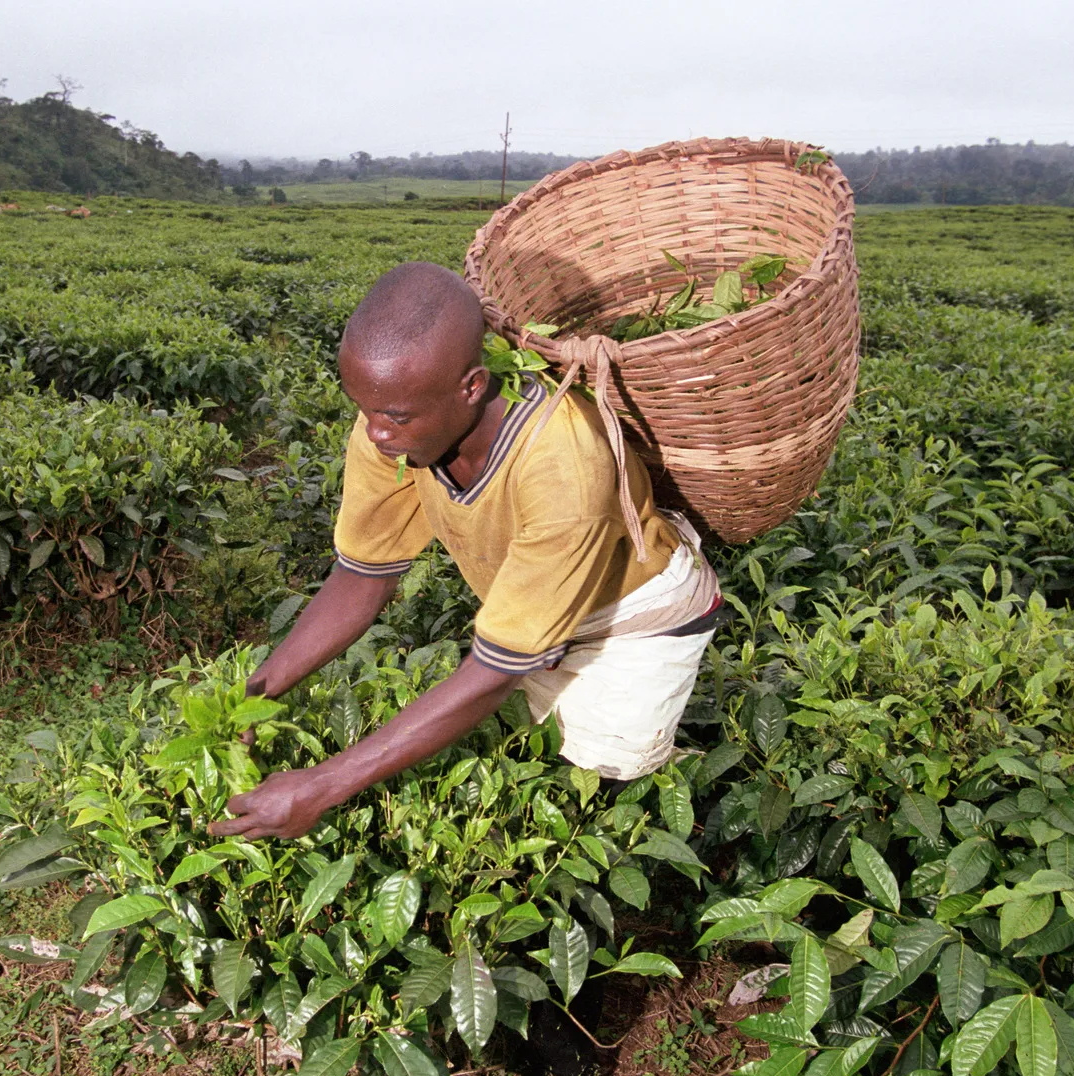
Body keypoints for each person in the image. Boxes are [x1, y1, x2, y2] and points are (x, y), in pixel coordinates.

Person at [211, 262, 722, 841]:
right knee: (543, 759)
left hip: (633, 618)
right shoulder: (395, 423)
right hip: (533, 606)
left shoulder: (563, 466)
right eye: (365, 407)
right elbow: (363, 573)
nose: (376, 433)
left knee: (603, 791)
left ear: (473, 386)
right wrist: (255, 692)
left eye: (395, 416)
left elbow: (496, 668)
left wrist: (323, 786)